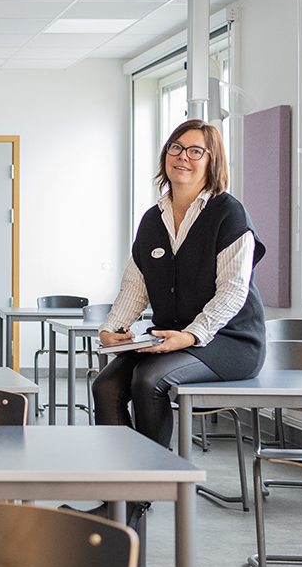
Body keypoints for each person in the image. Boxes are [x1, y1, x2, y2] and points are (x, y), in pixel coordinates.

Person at [86, 119, 267, 527]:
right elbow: (136, 284)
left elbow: (233, 291)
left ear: (212, 160)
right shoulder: (153, 218)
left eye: (195, 151)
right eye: (176, 148)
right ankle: (117, 494)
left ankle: (140, 497)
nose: (182, 157)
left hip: (229, 341)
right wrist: (113, 328)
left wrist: (190, 335)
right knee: (106, 385)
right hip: (172, 339)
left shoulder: (229, 213)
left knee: (149, 381)